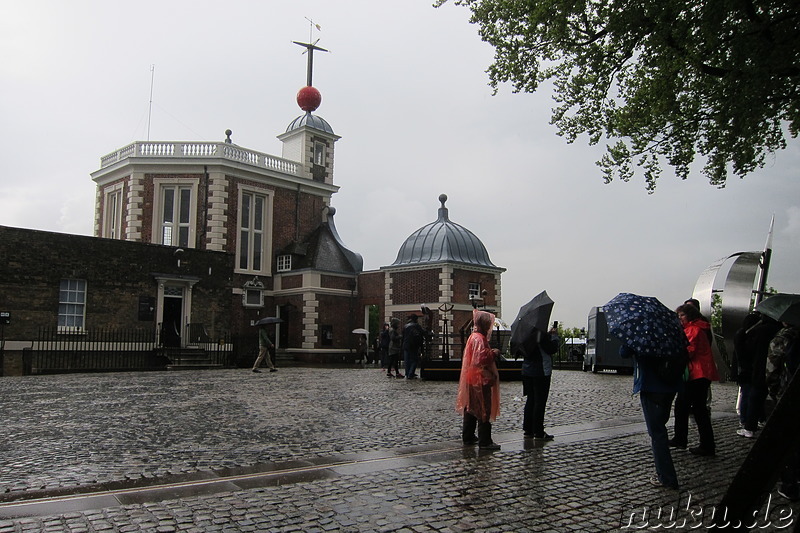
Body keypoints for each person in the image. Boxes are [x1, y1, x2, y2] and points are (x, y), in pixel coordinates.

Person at [621, 344, 684, 489]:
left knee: (657, 434)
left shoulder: (642, 332)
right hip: (671, 386)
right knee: (660, 427)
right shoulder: (670, 331)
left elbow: (624, 352)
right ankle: (666, 476)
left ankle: (667, 478)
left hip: (651, 386)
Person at [669, 304, 718, 455]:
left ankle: (688, 440)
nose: (679, 319)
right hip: (700, 374)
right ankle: (697, 442)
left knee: (691, 408)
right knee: (695, 409)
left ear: (689, 315)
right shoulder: (698, 328)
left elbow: (687, 352)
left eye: (682, 315)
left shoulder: (693, 330)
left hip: (696, 374)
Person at [456, 309, 501, 450]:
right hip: (480, 379)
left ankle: (468, 436)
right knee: (483, 408)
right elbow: (481, 359)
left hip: (471, 377)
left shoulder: (472, 337)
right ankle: (485, 440)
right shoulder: (480, 339)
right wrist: (494, 353)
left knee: (470, 407)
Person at [765, 320, 800, 501]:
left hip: (789, 392)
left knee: (786, 437)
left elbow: (772, 365)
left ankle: (789, 483)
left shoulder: (785, 336)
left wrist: (773, 389)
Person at [737, 314, 782, 438]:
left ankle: (749, 427)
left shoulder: (759, 331)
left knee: (755, 398)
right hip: (779, 370)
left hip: (760, 369)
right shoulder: (780, 331)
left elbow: (748, 350)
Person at [514, 324, 559, 440]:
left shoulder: (525, 334)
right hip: (541, 371)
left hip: (527, 371)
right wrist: (554, 336)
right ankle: (538, 431)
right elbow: (552, 348)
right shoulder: (539, 333)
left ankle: (528, 429)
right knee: (540, 401)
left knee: (531, 400)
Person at [403, 314, 425, 379]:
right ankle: (410, 373)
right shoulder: (417, 326)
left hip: (406, 345)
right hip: (414, 346)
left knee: (407, 361)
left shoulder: (406, 326)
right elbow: (423, 333)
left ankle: (407, 374)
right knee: (414, 360)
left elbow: (403, 336)